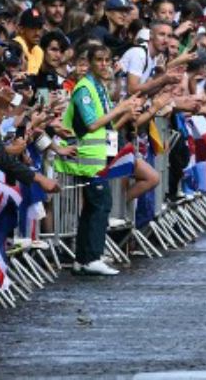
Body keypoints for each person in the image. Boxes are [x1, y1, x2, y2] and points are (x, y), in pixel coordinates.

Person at [52, 42, 138, 276]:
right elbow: (91, 124)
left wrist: (122, 111)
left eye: (107, 60)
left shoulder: (98, 87)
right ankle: (92, 257)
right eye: (98, 60)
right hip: (84, 158)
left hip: (96, 158)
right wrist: (120, 109)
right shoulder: (85, 88)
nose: (103, 64)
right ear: (89, 63)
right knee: (100, 206)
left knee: (93, 207)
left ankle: (83, 259)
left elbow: (106, 124)